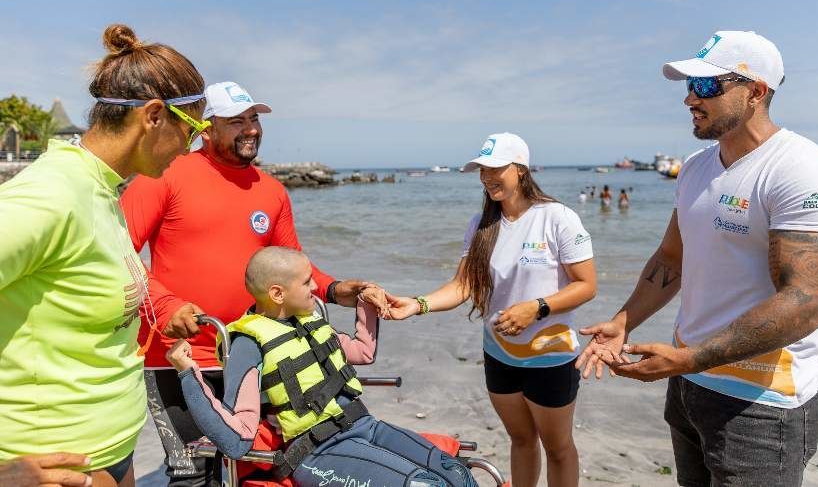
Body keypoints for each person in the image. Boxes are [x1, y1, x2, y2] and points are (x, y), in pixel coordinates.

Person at [576, 31, 818, 486]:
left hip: (761, 406)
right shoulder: (696, 166)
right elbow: (672, 258)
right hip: (689, 388)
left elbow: (806, 302)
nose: (689, 98)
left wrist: (689, 359)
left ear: (755, 93)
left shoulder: (803, 169)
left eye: (706, 86)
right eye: (689, 86)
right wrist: (625, 321)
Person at [120, 81, 385, 486]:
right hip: (183, 355)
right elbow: (117, 252)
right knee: (193, 473)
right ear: (205, 128)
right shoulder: (164, 174)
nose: (251, 129)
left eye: (254, 118)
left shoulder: (272, 190)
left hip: (256, 354)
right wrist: (166, 306)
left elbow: (293, 265)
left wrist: (335, 290)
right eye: (235, 121)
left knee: (257, 465)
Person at [0, 24, 206, 487]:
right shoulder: (51, 196)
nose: (193, 149)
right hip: (47, 459)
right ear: (153, 116)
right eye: (192, 130)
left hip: (109, 452)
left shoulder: (100, 188)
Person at [383, 132, 597, 486]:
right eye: (482, 169)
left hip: (551, 355)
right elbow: (463, 285)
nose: (486, 177)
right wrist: (417, 305)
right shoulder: (481, 225)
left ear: (521, 170)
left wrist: (537, 308)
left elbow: (586, 285)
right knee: (521, 439)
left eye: (496, 168)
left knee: (557, 448)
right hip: (499, 355)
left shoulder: (558, 217)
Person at [165, 247, 477, 486]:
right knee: (424, 484)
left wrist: (367, 302)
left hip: (363, 425)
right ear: (278, 293)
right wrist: (186, 372)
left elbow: (363, 352)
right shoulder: (249, 343)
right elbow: (236, 438)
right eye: (307, 281)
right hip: (316, 450)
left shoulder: (310, 321)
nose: (317, 286)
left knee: (457, 474)